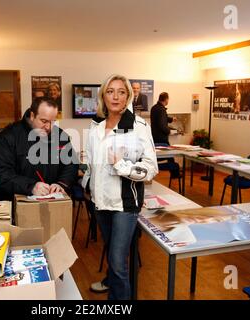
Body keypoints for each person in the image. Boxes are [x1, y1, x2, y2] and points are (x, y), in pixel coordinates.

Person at [82, 74, 158, 300]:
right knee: (113, 257)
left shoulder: (139, 126)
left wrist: (122, 166)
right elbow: (90, 162)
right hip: (100, 202)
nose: (115, 96)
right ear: (103, 96)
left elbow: (151, 169)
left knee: (117, 263)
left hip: (125, 204)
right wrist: (88, 185)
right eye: (110, 91)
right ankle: (113, 289)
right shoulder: (95, 125)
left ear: (128, 96)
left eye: (121, 92)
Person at [0, 97, 78, 201]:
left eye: (53, 121)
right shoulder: (7, 137)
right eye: (44, 121)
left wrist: (61, 184)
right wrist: (31, 186)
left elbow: (71, 164)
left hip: (53, 204)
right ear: (32, 116)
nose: (49, 127)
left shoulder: (59, 135)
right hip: (17, 206)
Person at [150, 92, 180, 179]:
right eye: (168, 99)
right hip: (162, 138)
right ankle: (175, 172)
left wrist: (171, 119)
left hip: (154, 137)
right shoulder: (162, 109)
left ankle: (175, 173)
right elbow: (162, 125)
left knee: (169, 156)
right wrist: (170, 131)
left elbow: (161, 118)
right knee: (170, 155)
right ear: (166, 99)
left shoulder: (154, 108)